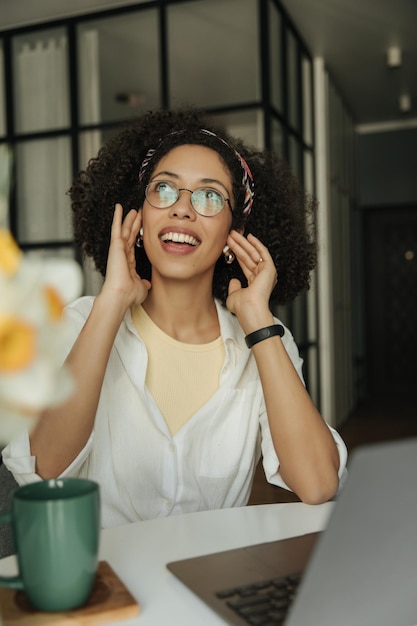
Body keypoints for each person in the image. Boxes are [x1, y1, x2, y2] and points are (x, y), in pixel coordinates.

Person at [2, 108, 347, 528]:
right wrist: (112, 299)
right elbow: (44, 471)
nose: (183, 209)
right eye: (164, 189)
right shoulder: (80, 323)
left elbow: (317, 484)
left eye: (208, 196)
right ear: (141, 220)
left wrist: (258, 319)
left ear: (231, 235)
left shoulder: (264, 343)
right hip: (105, 588)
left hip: (208, 586)